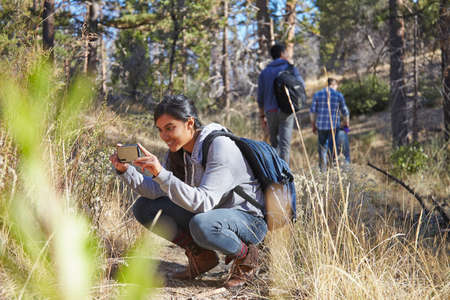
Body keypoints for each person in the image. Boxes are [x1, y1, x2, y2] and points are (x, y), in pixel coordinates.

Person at [110, 95, 267, 288]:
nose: (164, 136)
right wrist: (126, 171)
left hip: (249, 220)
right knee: (145, 207)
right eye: (160, 130)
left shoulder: (220, 146)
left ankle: (246, 256)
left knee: (201, 224)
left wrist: (161, 173)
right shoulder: (178, 151)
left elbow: (204, 203)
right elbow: (155, 191)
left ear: (189, 123)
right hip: (213, 215)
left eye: (170, 128)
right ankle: (202, 257)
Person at [257, 43, 305, 165]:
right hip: (287, 110)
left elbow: (260, 97)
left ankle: (275, 173)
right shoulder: (290, 68)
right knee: (284, 145)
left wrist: (262, 116)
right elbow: (301, 86)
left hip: (270, 111)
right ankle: (285, 175)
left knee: (274, 144)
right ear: (282, 54)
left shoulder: (265, 72)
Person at [310, 78, 350, 172]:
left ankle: (322, 171)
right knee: (333, 149)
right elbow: (345, 112)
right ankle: (334, 170)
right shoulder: (338, 95)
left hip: (321, 126)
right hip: (334, 127)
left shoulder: (317, 94)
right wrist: (346, 124)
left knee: (322, 149)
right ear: (334, 85)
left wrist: (313, 125)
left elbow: (312, 112)